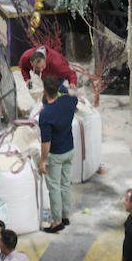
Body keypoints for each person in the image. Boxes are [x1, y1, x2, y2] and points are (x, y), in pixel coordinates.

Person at [37, 75, 78, 233]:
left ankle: (56, 222)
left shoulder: (46, 114)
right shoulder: (68, 102)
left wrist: (42, 161)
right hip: (69, 148)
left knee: (54, 187)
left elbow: (46, 142)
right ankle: (65, 215)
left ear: (44, 91)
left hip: (56, 153)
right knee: (65, 182)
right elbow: (72, 96)